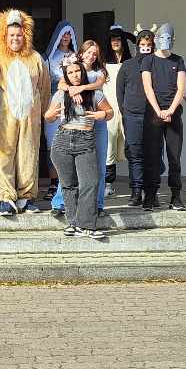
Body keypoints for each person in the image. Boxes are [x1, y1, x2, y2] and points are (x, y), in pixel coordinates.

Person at [0, 9, 50, 216]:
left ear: (26, 35)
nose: (15, 38)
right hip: (4, 115)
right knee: (2, 154)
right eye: (11, 35)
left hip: (30, 115)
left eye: (19, 35)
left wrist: (45, 113)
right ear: (4, 36)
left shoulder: (36, 58)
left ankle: (27, 196)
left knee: (28, 154)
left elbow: (44, 87)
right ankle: (5, 197)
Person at [45, 56, 113, 239]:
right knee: (68, 185)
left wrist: (102, 115)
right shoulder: (61, 94)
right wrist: (50, 115)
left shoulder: (95, 94)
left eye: (77, 71)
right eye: (70, 73)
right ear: (66, 76)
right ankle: (74, 224)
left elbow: (110, 112)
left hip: (85, 140)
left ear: (83, 73)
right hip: (63, 140)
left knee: (90, 182)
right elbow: (48, 116)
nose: (74, 75)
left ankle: (87, 225)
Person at [51, 41, 108, 215]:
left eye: (95, 53)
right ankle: (61, 202)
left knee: (98, 164)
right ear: (81, 53)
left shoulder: (99, 71)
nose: (92, 56)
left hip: (96, 119)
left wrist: (81, 88)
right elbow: (61, 84)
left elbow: (98, 84)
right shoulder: (72, 67)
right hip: (74, 122)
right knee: (67, 166)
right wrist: (71, 89)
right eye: (88, 52)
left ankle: (98, 204)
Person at [141, 23, 186, 211]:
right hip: (153, 114)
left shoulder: (178, 60)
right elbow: (147, 87)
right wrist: (158, 110)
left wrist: (171, 110)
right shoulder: (148, 60)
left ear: (173, 39)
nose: (165, 40)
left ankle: (176, 196)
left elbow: (181, 88)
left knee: (174, 157)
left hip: (173, 115)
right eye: (161, 37)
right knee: (152, 156)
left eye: (168, 37)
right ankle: (150, 196)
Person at [117, 24, 157, 206]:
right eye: (142, 44)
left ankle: (152, 193)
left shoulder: (158, 64)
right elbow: (120, 91)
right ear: (137, 45)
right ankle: (136, 191)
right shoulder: (127, 65)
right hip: (132, 116)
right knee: (134, 154)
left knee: (153, 155)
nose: (145, 48)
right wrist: (125, 111)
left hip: (153, 116)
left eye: (149, 45)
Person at [43, 20, 78, 199]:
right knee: (52, 144)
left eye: (69, 34)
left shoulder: (76, 56)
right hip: (53, 102)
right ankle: (54, 183)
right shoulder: (48, 57)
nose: (66, 37)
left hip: (72, 103)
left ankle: (68, 183)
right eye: (63, 34)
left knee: (71, 142)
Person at [103, 25, 135, 197]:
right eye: (112, 39)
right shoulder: (103, 63)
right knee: (109, 145)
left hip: (127, 107)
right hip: (109, 107)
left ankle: (136, 184)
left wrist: (128, 35)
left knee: (131, 144)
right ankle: (108, 183)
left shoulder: (130, 62)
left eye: (118, 39)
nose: (115, 42)